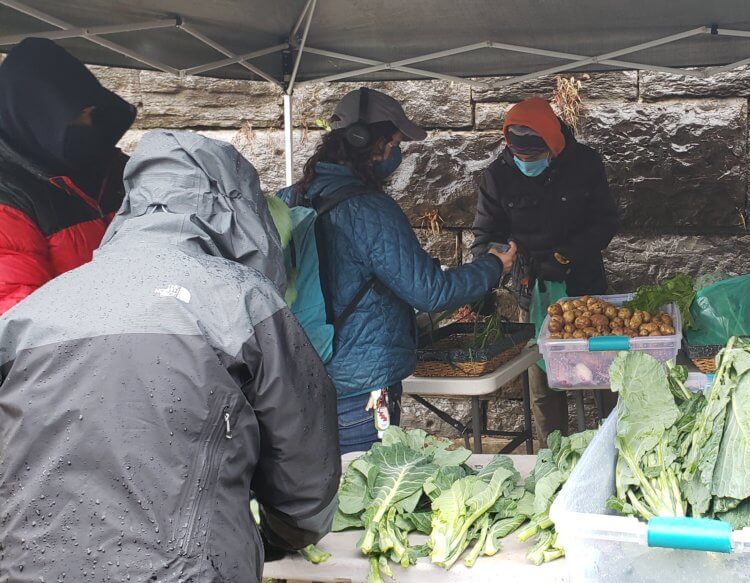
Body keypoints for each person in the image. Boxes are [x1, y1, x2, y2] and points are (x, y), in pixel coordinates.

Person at [0, 131, 340, 582]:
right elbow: (303, 475)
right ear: (235, 208)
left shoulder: (28, 317)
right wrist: (280, 538)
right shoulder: (241, 303)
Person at [279, 87, 516, 453]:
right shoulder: (370, 210)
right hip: (361, 392)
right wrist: (492, 267)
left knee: (316, 500)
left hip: (298, 385)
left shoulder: (286, 199)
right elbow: (430, 292)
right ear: (371, 143)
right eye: (395, 142)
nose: (397, 152)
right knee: (366, 499)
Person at [471, 97, 621, 440]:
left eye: (535, 157)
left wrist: (566, 256)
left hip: (586, 286)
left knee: (604, 375)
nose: (527, 163)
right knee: (544, 381)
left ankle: (612, 444)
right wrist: (485, 274)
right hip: (535, 291)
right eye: (520, 157)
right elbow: (486, 235)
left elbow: (605, 222)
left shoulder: (585, 163)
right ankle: (552, 456)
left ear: (553, 146)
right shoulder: (497, 177)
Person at [0, 37, 137, 314]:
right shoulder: (9, 202)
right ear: (38, 117)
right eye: (79, 115)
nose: (90, 124)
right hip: (84, 352)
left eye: (91, 113)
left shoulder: (111, 167)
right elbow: (22, 321)